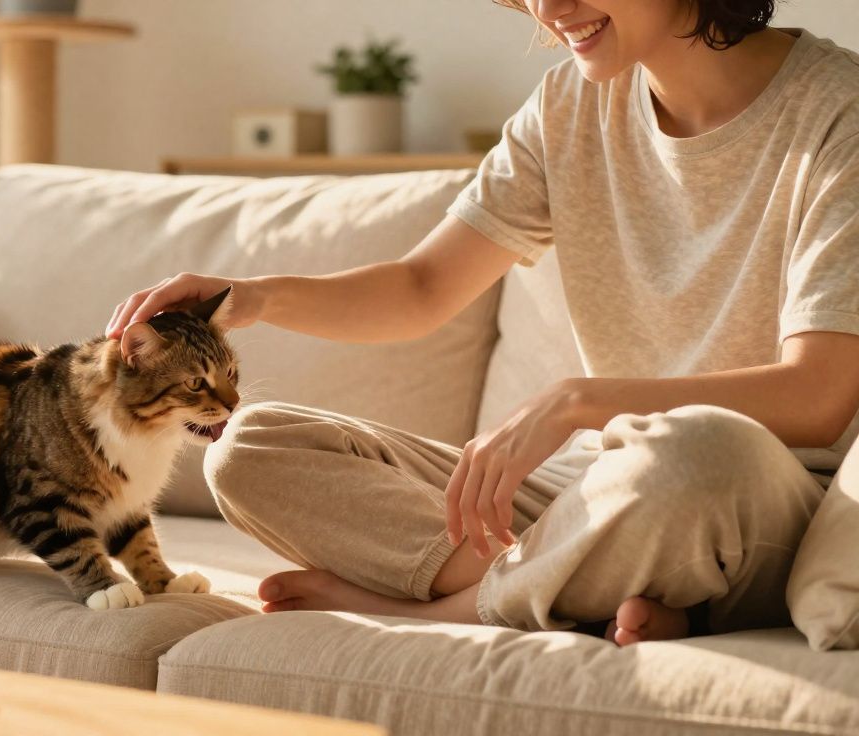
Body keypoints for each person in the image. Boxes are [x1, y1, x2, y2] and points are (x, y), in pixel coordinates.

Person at [105, 0, 859, 646]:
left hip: (749, 486)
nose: (547, 6)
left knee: (692, 454)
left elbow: (819, 396)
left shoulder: (840, 112)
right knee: (249, 447)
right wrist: (256, 295)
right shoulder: (566, 107)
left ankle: (451, 608)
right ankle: (597, 588)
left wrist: (575, 402)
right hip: (595, 489)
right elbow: (422, 287)